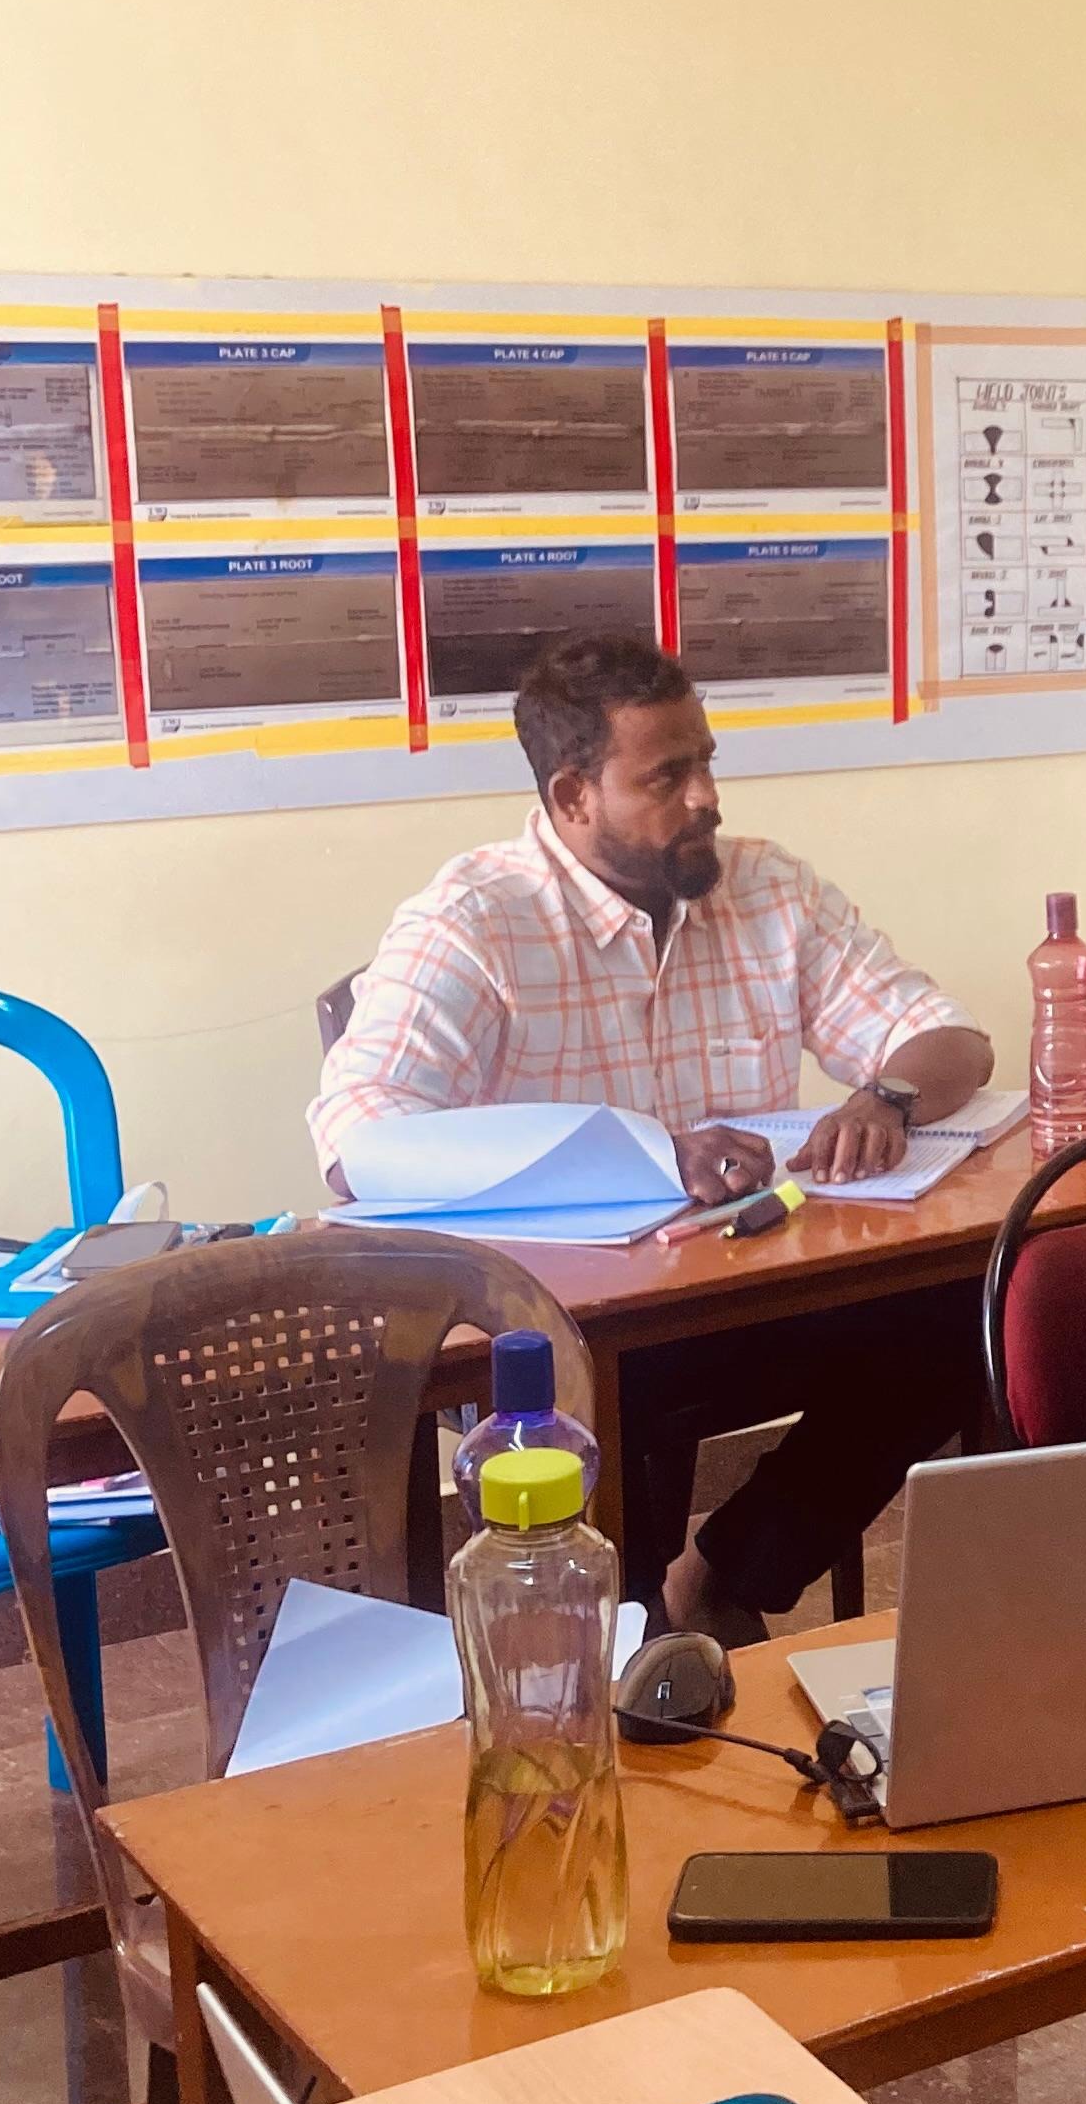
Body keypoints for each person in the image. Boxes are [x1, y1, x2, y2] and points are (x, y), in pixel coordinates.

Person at [313, 634, 995, 1642]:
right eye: (666, 778)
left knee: (967, 1311)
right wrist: (645, 1152)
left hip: (748, 1286)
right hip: (571, 1331)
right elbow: (356, 1138)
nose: (706, 797)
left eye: (706, 762)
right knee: (617, 1582)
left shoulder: (767, 888)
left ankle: (724, 1575)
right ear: (573, 796)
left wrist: (887, 1097)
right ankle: (639, 1642)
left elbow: (953, 1040)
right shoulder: (473, 919)